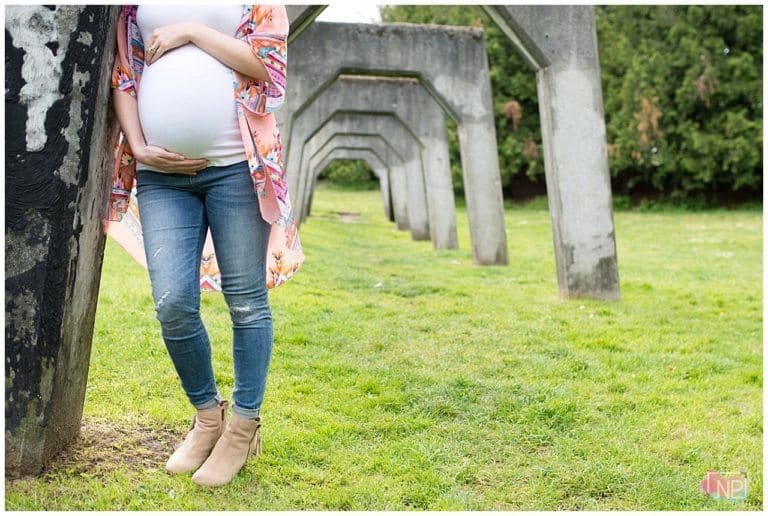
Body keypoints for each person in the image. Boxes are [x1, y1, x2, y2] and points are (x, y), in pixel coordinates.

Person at [108, 4, 304, 487]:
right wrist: (139, 143)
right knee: (172, 303)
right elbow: (124, 74)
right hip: (160, 175)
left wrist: (191, 31)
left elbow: (267, 66)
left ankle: (243, 426)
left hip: (237, 167)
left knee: (246, 303)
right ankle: (207, 417)